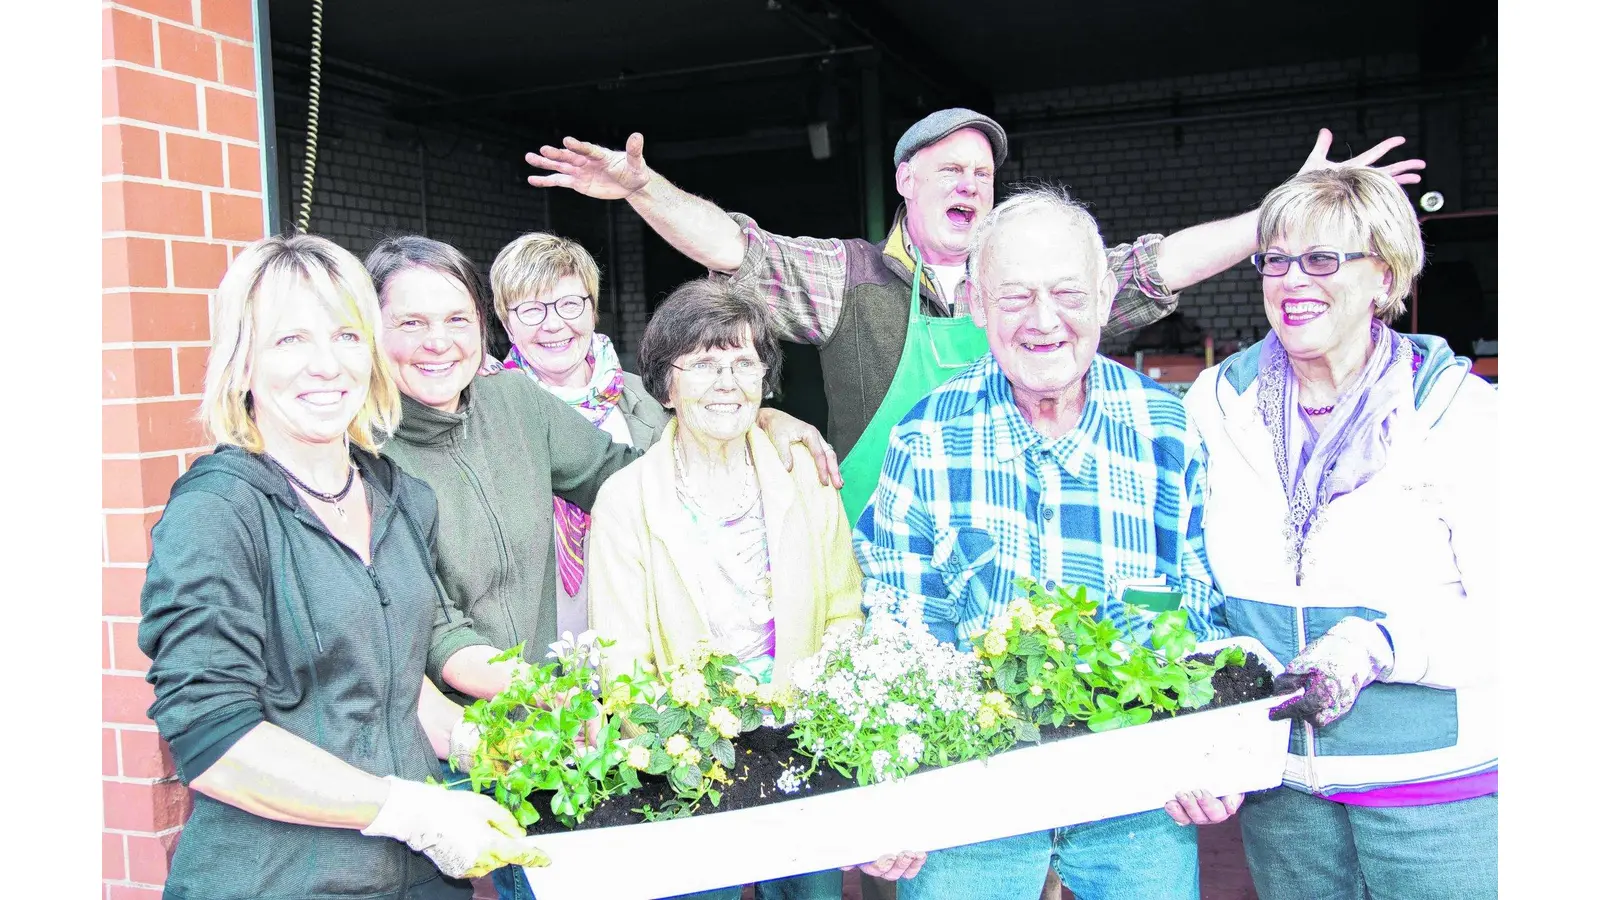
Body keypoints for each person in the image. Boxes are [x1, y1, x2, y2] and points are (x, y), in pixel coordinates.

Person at [525, 112, 1424, 523]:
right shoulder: (847, 275)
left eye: (984, 172)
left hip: (1017, 546)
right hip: (879, 560)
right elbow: (734, 247)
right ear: (906, 180)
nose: (971, 181)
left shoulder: (1037, 281)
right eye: (948, 167)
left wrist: (1282, 215)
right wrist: (642, 188)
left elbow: (1158, 265)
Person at [363, 235, 838, 900]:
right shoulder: (364, 454)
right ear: (367, 328)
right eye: (410, 323)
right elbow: (441, 635)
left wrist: (756, 421)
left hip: (558, 721)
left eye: (454, 320)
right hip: (454, 731)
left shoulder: (515, 406)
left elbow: (629, 477)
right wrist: (559, 699)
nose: (437, 342)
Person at [137, 234, 548, 900]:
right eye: (289, 341)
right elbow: (216, 744)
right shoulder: (218, 512)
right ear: (241, 365)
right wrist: (407, 809)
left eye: (347, 336)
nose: (326, 365)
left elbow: (391, 677)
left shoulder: (396, 495)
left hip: (416, 883)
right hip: (277, 881)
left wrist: (478, 741)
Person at [853, 185, 1235, 900]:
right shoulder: (927, 438)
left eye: (1067, 295)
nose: (1044, 322)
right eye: (1016, 297)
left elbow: (1204, 615)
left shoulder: (1168, 432)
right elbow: (898, 632)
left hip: (1140, 796)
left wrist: (1211, 749)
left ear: (1104, 295)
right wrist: (889, 794)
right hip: (969, 795)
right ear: (976, 303)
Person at [1178, 167, 1497, 900]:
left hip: (1433, 786)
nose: (1295, 280)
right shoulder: (1217, 406)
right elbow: (1189, 568)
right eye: (1277, 260)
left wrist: (1377, 645)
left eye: (1323, 260)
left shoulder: (1460, 415)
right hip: (1281, 787)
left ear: (1384, 274)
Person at [586, 278, 923, 900]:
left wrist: (828, 724)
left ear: (766, 380)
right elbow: (622, 662)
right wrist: (676, 751)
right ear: (666, 384)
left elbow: (844, 614)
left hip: (801, 754)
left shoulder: (806, 475)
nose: (727, 382)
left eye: (744, 363)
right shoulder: (625, 501)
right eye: (705, 364)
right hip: (684, 766)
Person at [489, 231, 670, 638]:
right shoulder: (484, 411)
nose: (554, 324)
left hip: (640, 636)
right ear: (506, 323)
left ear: (593, 310)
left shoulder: (649, 400)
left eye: (570, 304)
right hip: (533, 649)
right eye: (531, 309)